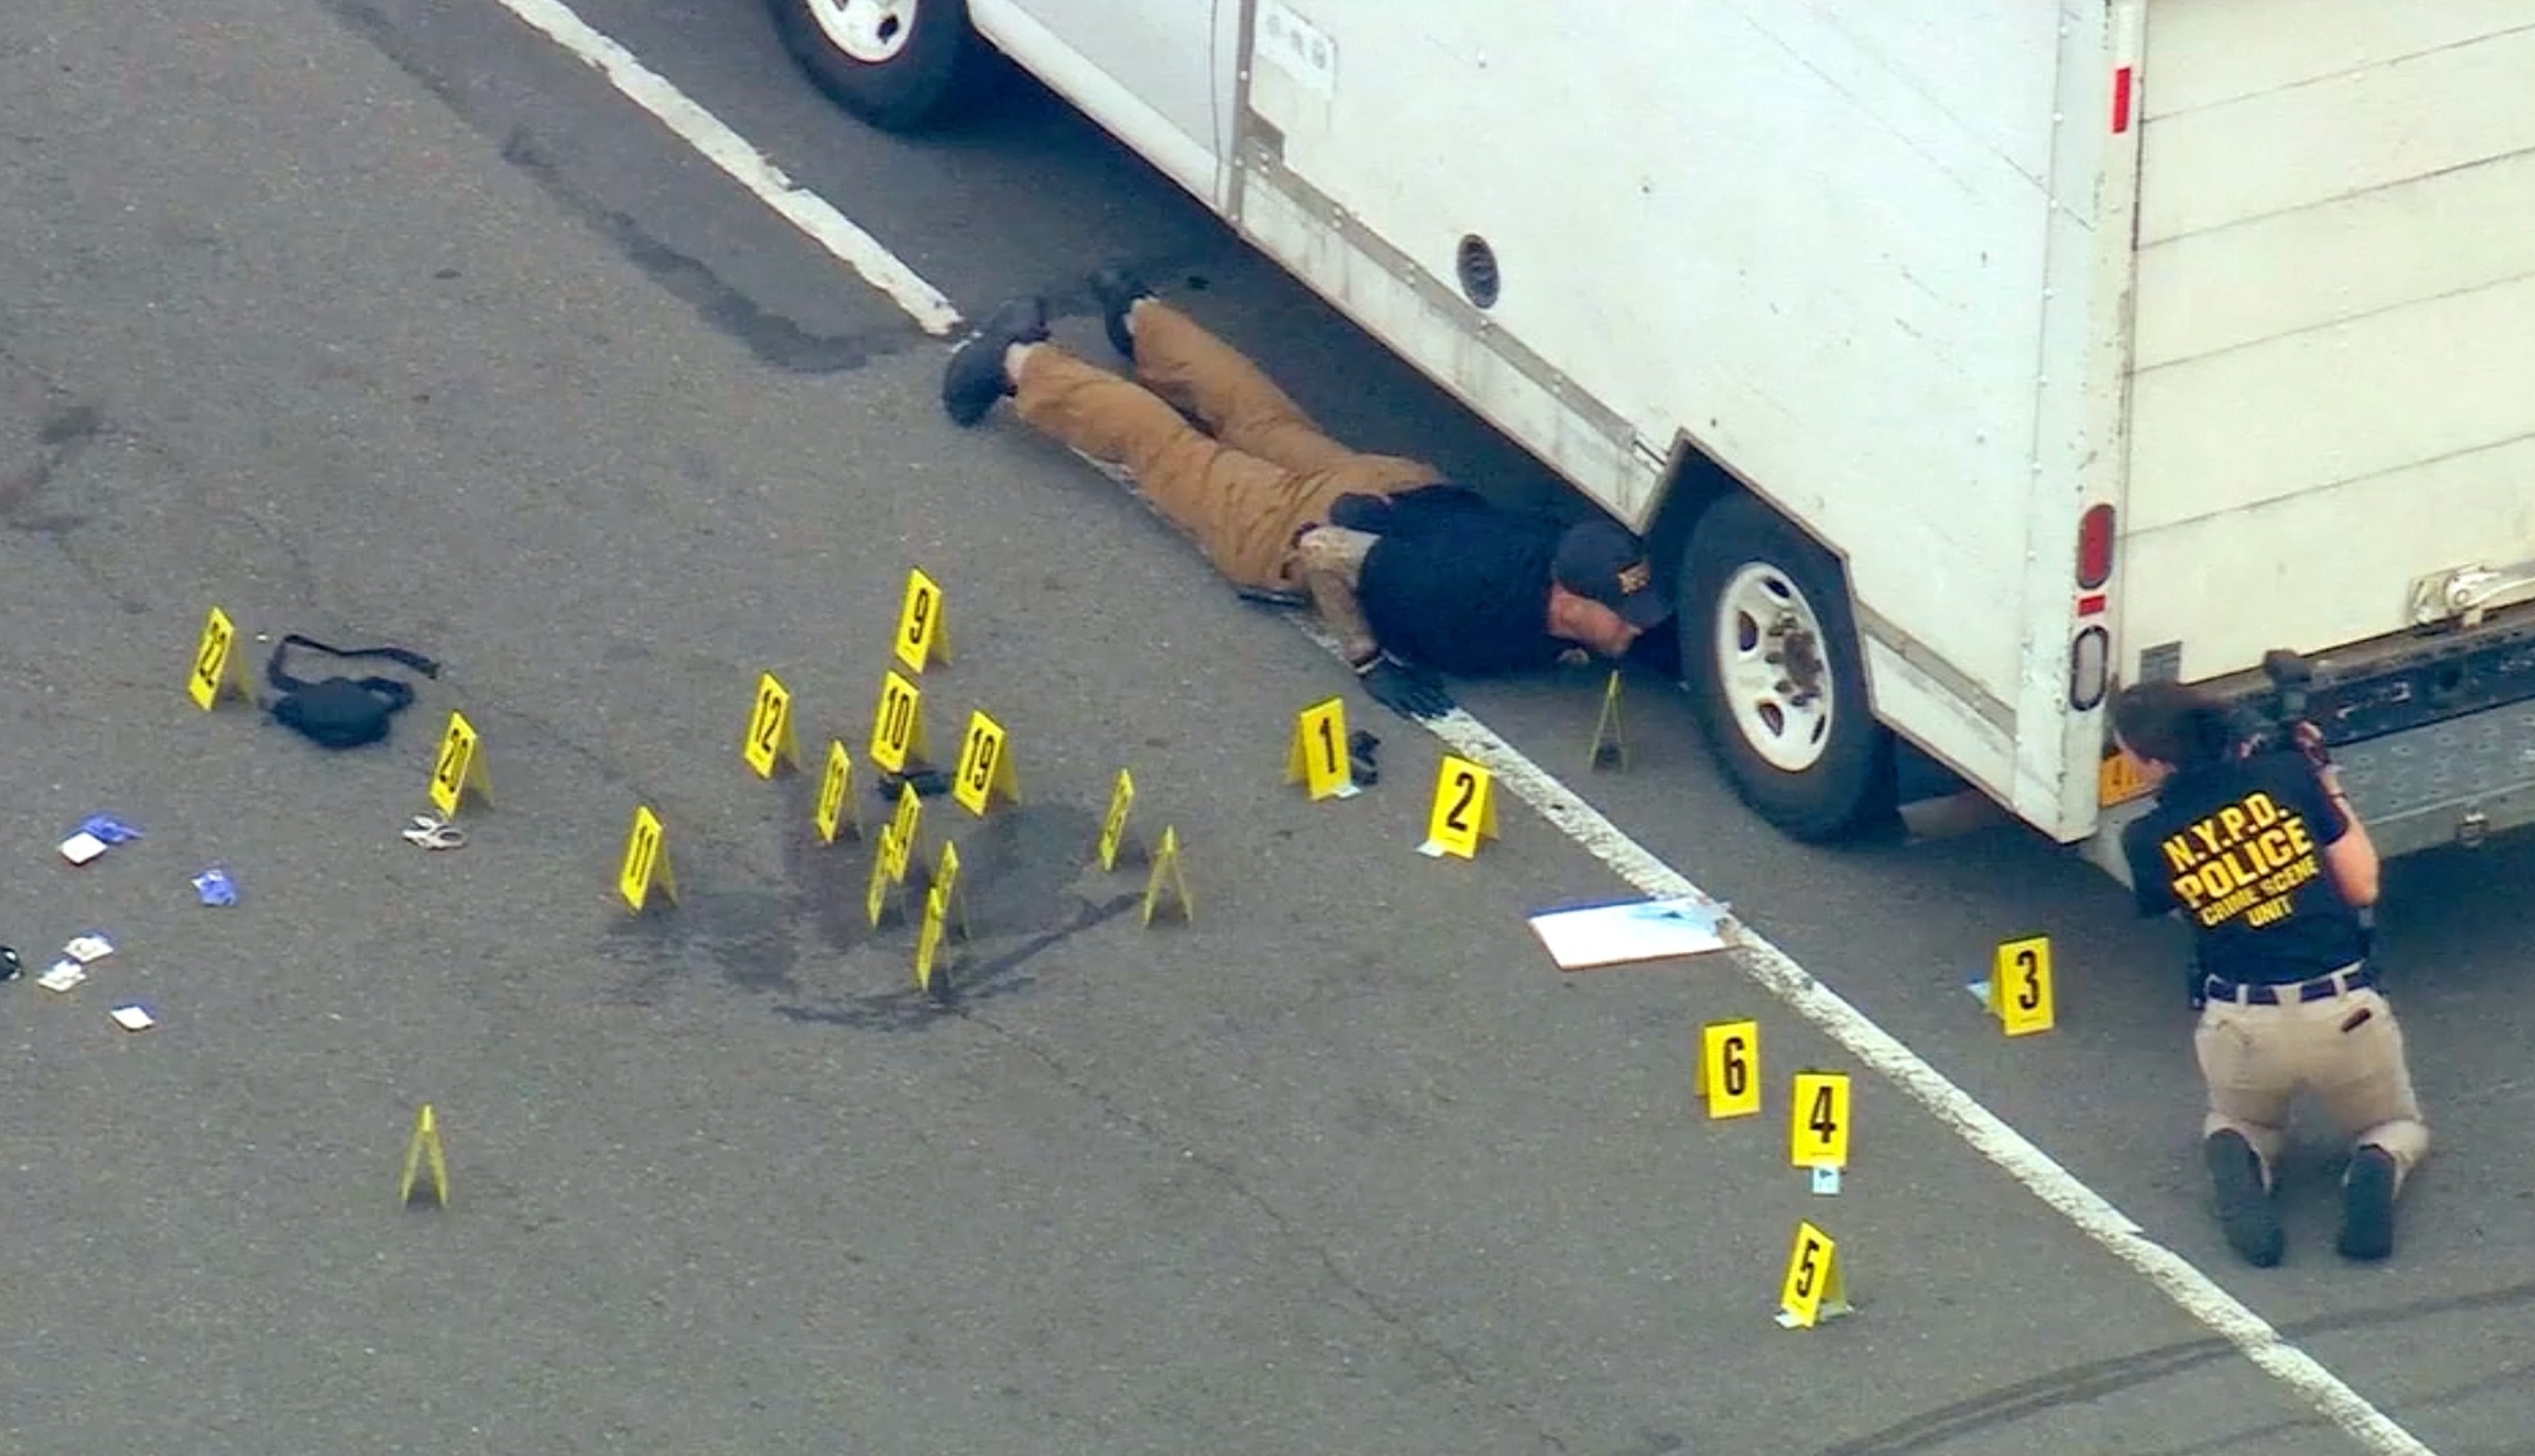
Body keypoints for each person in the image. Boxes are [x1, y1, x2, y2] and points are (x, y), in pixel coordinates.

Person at [937, 266, 1672, 719]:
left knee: (1260, 418)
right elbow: (1325, 553)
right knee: (1171, 453)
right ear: (1572, 601)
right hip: (1320, 526)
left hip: (1391, 482)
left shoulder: (1567, 556)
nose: (1636, 629)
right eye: (1626, 617)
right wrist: (1368, 661)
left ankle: (1142, 317)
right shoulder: (1464, 598)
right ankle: (1017, 359)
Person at [2112, 679, 2429, 1266]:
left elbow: (2196, 911)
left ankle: (2244, 1152)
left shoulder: (2144, 839)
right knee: (2396, 1124)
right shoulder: (2286, 777)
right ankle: (2375, 1162)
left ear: (2152, 760)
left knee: (2240, 1117)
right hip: (2343, 1010)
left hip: (2239, 1019)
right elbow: (2362, 883)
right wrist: (2325, 781)